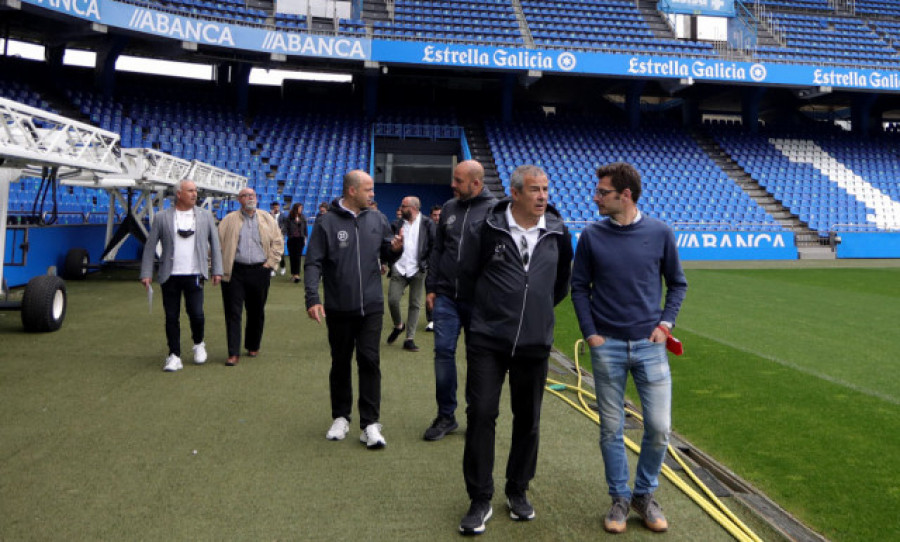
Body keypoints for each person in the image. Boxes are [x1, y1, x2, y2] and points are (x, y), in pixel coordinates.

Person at [570, 162, 688, 534]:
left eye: (603, 192)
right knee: (611, 428)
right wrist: (591, 333)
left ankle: (644, 494)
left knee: (658, 427)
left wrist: (665, 324)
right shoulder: (591, 235)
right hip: (607, 347)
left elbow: (677, 284)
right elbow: (578, 287)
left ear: (626, 195)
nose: (596, 197)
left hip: (651, 346)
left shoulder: (660, 232)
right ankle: (620, 497)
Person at [457, 165, 572, 535]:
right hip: (488, 340)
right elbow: (467, 278)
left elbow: (560, 285)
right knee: (482, 414)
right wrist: (489, 318)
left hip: (535, 344)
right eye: (535, 190)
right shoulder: (486, 229)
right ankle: (479, 498)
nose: (542, 196)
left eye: (546, 189)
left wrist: (534, 315)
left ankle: (517, 490)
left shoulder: (557, 232)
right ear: (515, 192)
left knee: (529, 420)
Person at [305, 170, 403, 449]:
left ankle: (370, 424)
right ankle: (340, 417)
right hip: (338, 306)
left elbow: (387, 253)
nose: (373, 194)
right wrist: (312, 297)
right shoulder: (326, 222)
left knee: (370, 361)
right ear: (351, 191)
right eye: (368, 189)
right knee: (340, 362)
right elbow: (313, 262)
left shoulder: (378, 219)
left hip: (372, 306)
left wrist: (395, 249)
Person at [423, 160, 497, 441]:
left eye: (458, 180)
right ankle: (445, 416)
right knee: (443, 353)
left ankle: (475, 416)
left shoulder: (495, 211)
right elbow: (438, 249)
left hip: (481, 301)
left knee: (478, 360)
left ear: (476, 184)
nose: (452, 185)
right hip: (446, 299)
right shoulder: (450, 208)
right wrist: (432, 286)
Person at [140, 179, 222, 372]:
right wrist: (146, 273)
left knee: (197, 314)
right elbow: (150, 246)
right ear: (179, 194)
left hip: (194, 273)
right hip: (170, 275)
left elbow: (215, 244)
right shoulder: (162, 217)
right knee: (171, 317)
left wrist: (217, 270)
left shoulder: (205, 216)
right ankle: (174, 355)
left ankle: (199, 343)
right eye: (190, 191)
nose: (195, 194)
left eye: (196, 190)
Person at [218, 188, 284, 366]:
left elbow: (278, 242)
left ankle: (253, 345)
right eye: (246, 196)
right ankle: (233, 352)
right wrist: (215, 268)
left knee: (256, 311)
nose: (250, 198)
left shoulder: (267, 218)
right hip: (235, 272)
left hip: (259, 270)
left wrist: (270, 263)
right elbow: (216, 244)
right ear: (239, 199)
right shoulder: (228, 220)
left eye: (253, 195)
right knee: (233, 313)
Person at [386, 196, 435, 353]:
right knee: (393, 300)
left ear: (413, 208)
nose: (400, 209)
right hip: (400, 268)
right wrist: (394, 249)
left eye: (403, 206)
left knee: (414, 304)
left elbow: (434, 246)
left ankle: (409, 339)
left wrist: (427, 264)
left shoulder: (428, 224)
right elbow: (389, 248)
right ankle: (399, 325)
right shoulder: (397, 224)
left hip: (418, 270)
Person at [424, 204, 442, 332]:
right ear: (431, 216)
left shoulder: (448, 228)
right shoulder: (426, 229)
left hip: (446, 266)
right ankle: (431, 320)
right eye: (435, 215)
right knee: (430, 290)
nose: (437, 218)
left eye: (439, 215)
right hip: (431, 266)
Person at [285, 202, 308, 284]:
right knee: (292, 257)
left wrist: (305, 237)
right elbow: (287, 227)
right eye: (300, 208)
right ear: (296, 208)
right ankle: (293, 273)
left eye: (301, 208)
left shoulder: (303, 217)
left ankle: (297, 274)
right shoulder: (290, 217)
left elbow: (305, 228)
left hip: (300, 239)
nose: (301, 209)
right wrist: (288, 235)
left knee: (298, 257)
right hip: (292, 239)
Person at [270, 201, 287, 276]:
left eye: (277, 207)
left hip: (280, 236)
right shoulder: (269, 215)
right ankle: (272, 269)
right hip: (271, 236)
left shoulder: (283, 216)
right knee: (271, 253)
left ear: (279, 207)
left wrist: (283, 236)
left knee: (281, 253)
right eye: (274, 207)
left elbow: (286, 226)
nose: (276, 208)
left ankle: (282, 267)